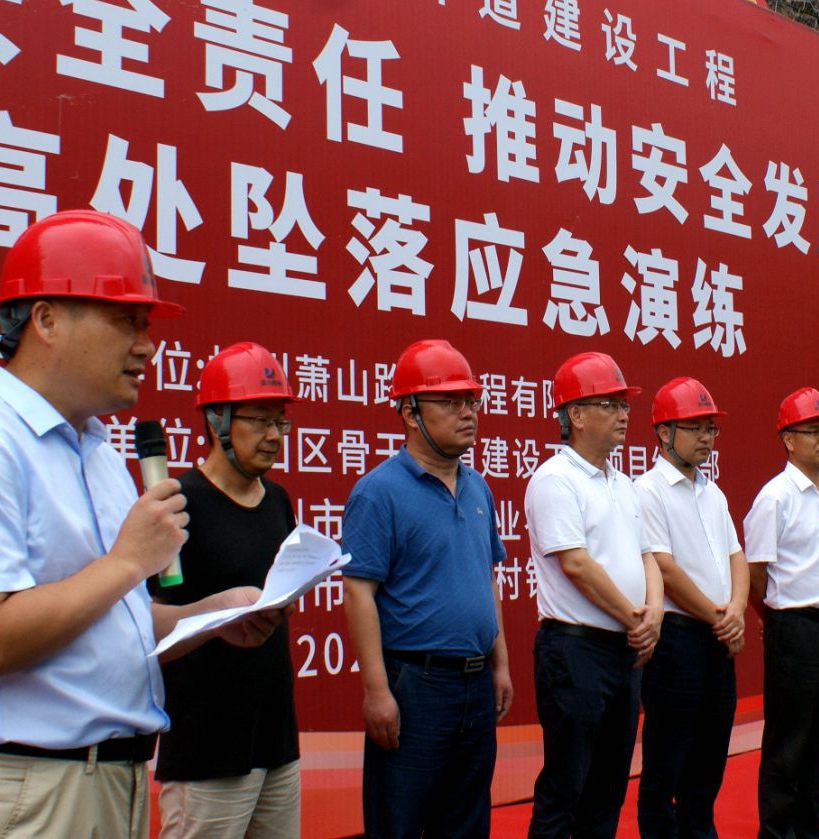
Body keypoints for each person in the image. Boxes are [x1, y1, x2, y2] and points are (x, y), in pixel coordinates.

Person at [0, 210, 283, 839]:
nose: (146, 345)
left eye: (146, 324)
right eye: (126, 320)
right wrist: (128, 561)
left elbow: (110, 624)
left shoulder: (97, 453)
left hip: (112, 786)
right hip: (17, 796)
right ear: (46, 320)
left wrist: (211, 617)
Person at [341, 339, 514, 838]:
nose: (468, 413)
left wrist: (500, 664)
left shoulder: (478, 486)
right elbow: (358, 593)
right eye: (450, 402)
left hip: (475, 686)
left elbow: (486, 577)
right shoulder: (379, 492)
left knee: (466, 824)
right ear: (410, 413)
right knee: (400, 823)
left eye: (471, 400)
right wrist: (377, 691)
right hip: (415, 687)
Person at [154, 342, 302, 839]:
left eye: (279, 421)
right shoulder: (179, 505)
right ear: (217, 421)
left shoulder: (278, 500)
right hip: (206, 750)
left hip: (276, 742)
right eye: (259, 420)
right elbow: (147, 622)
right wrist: (220, 612)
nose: (273, 436)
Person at [525, 352, 664, 839]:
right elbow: (577, 565)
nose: (624, 415)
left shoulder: (623, 485)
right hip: (575, 651)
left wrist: (654, 616)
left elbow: (648, 556)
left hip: (624, 651)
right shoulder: (555, 479)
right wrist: (636, 619)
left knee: (608, 788)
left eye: (624, 405)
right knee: (566, 787)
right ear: (577, 415)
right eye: (610, 404)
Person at [634, 376, 747, 839]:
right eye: (695, 427)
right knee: (666, 759)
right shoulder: (647, 490)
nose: (706, 438)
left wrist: (737, 609)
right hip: (677, 640)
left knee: (709, 754)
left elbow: (736, 556)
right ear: (664, 432)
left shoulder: (713, 492)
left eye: (710, 428)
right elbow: (664, 566)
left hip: (717, 637)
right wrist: (721, 617)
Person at [745, 387, 819, 839]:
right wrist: (777, 619)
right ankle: (776, 832)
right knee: (789, 739)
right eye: (813, 431)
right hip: (795, 628)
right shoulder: (776, 496)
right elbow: (755, 571)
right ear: (788, 440)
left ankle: (809, 825)